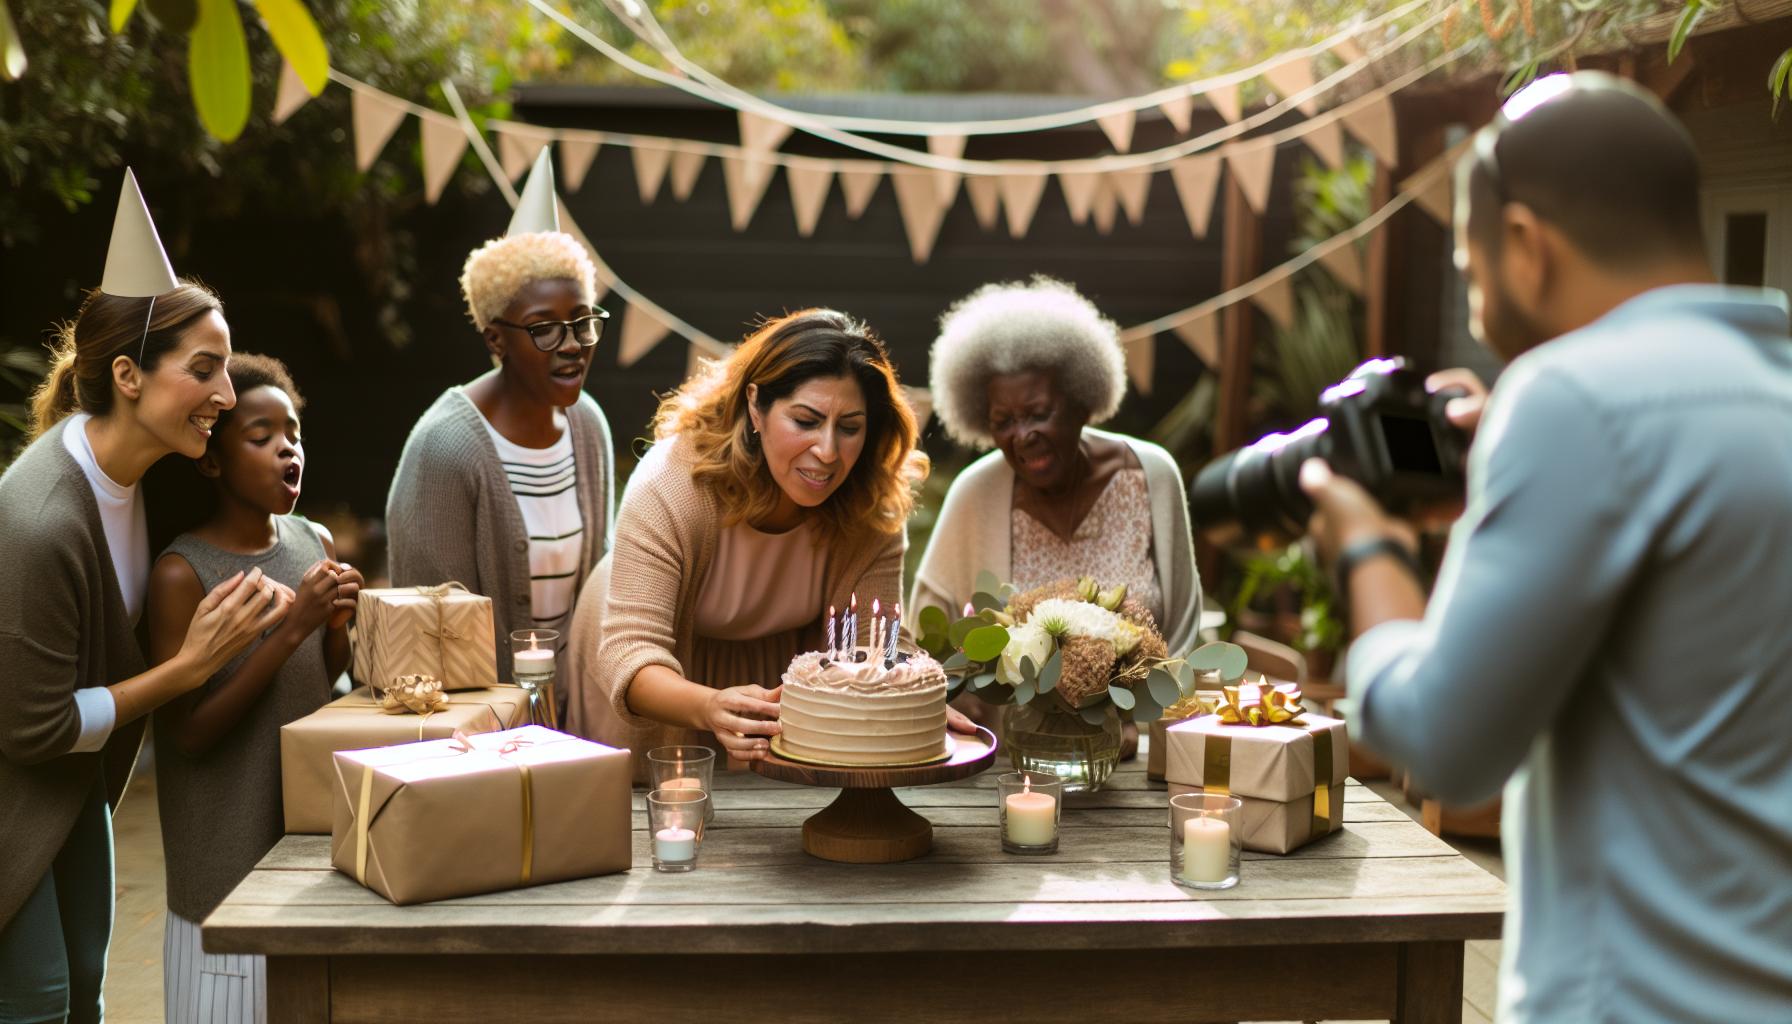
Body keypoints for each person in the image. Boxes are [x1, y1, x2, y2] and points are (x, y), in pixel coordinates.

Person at [1298, 73, 1792, 1022]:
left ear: (1525, 246)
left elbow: (1445, 745)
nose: (1477, 303)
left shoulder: (1572, 396)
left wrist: (1369, 551)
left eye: (1469, 270)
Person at [0, 172, 290, 1023]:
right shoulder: (40, 521)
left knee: (84, 993)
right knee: (37, 1001)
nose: (226, 396)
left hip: (72, 787)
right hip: (17, 786)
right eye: (204, 370)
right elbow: (33, 728)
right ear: (128, 375)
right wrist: (185, 670)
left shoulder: (156, 482)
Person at [565, 309, 969, 777]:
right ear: (755, 406)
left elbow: (870, 645)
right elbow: (629, 654)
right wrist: (710, 705)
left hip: (768, 670)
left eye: (849, 427)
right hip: (660, 681)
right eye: (806, 420)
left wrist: (910, 700)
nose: (827, 452)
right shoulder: (671, 484)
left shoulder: (869, 503)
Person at [144, 355, 362, 1023]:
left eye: (293, 434)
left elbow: (322, 680)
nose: (287, 449)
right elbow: (187, 735)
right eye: (262, 437)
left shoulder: (313, 541)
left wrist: (336, 628)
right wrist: (293, 627)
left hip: (305, 847)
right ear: (212, 461)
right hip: (223, 863)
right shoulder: (183, 572)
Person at [910, 277, 1204, 751]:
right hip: (1009, 763)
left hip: (1139, 760)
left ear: (1082, 402)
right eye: (1003, 421)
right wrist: (961, 701)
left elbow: (1185, 633)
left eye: (1038, 413)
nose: (1021, 435)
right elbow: (924, 642)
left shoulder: (1153, 475)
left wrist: (1136, 723)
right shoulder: (975, 492)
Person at [387, 149, 613, 683]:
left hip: (574, 707)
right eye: (544, 328)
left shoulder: (588, 426)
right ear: (495, 339)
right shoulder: (445, 448)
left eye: (582, 321)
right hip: (480, 714)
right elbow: (433, 631)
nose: (572, 345)